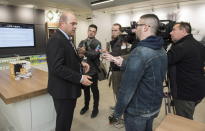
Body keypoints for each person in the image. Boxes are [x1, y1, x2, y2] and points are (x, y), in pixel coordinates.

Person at [104, 14, 167, 131]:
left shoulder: (140, 52)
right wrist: (123, 63)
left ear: (146, 27)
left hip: (138, 110)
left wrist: (117, 114)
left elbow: (127, 88)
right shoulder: (161, 49)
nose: (135, 28)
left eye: (138, 25)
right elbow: (147, 71)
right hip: (153, 106)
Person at [46, 12, 93, 131]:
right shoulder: (56, 40)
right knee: (63, 124)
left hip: (68, 89)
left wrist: (80, 63)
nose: (75, 26)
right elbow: (57, 67)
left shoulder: (66, 38)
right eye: (73, 23)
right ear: (62, 24)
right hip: (63, 91)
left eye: (76, 23)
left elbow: (67, 58)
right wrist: (80, 78)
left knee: (66, 121)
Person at [167, 22, 205, 120]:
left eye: (174, 30)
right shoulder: (199, 45)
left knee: (184, 122)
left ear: (183, 31)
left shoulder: (180, 47)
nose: (170, 33)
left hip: (184, 94)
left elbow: (165, 61)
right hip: (197, 90)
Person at [78, 24, 101, 118]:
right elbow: (78, 53)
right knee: (86, 91)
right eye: (90, 30)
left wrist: (85, 52)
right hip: (84, 71)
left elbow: (95, 55)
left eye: (93, 31)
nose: (91, 32)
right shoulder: (82, 42)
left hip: (93, 71)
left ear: (95, 33)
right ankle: (86, 106)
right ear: (87, 31)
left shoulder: (98, 43)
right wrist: (80, 53)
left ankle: (96, 108)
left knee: (94, 90)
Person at [107, 23, 130, 104]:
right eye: (112, 30)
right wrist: (108, 53)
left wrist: (108, 54)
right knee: (116, 89)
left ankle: (120, 110)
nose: (113, 32)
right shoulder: (114, 41)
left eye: (116, 30)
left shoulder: (122, 41)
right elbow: (116, 52)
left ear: (120, 31)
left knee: (118, 90)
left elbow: (121, 55)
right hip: (114, 68)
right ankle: (118, 106)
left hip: (119, 70)